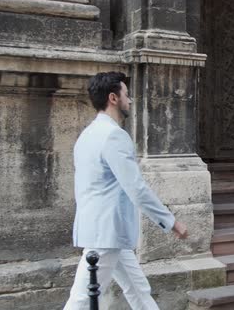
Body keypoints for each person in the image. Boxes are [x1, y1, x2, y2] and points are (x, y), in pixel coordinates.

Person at [64, 72, 188, 310]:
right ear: (113, 98)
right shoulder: (114, 136)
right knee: (81, 300)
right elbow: (136, 188)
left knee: (138, 288)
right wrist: (170, 221)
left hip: (105, 230)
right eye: (126, 95)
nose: (130, 101)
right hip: (106, 232)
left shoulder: (87, 135)